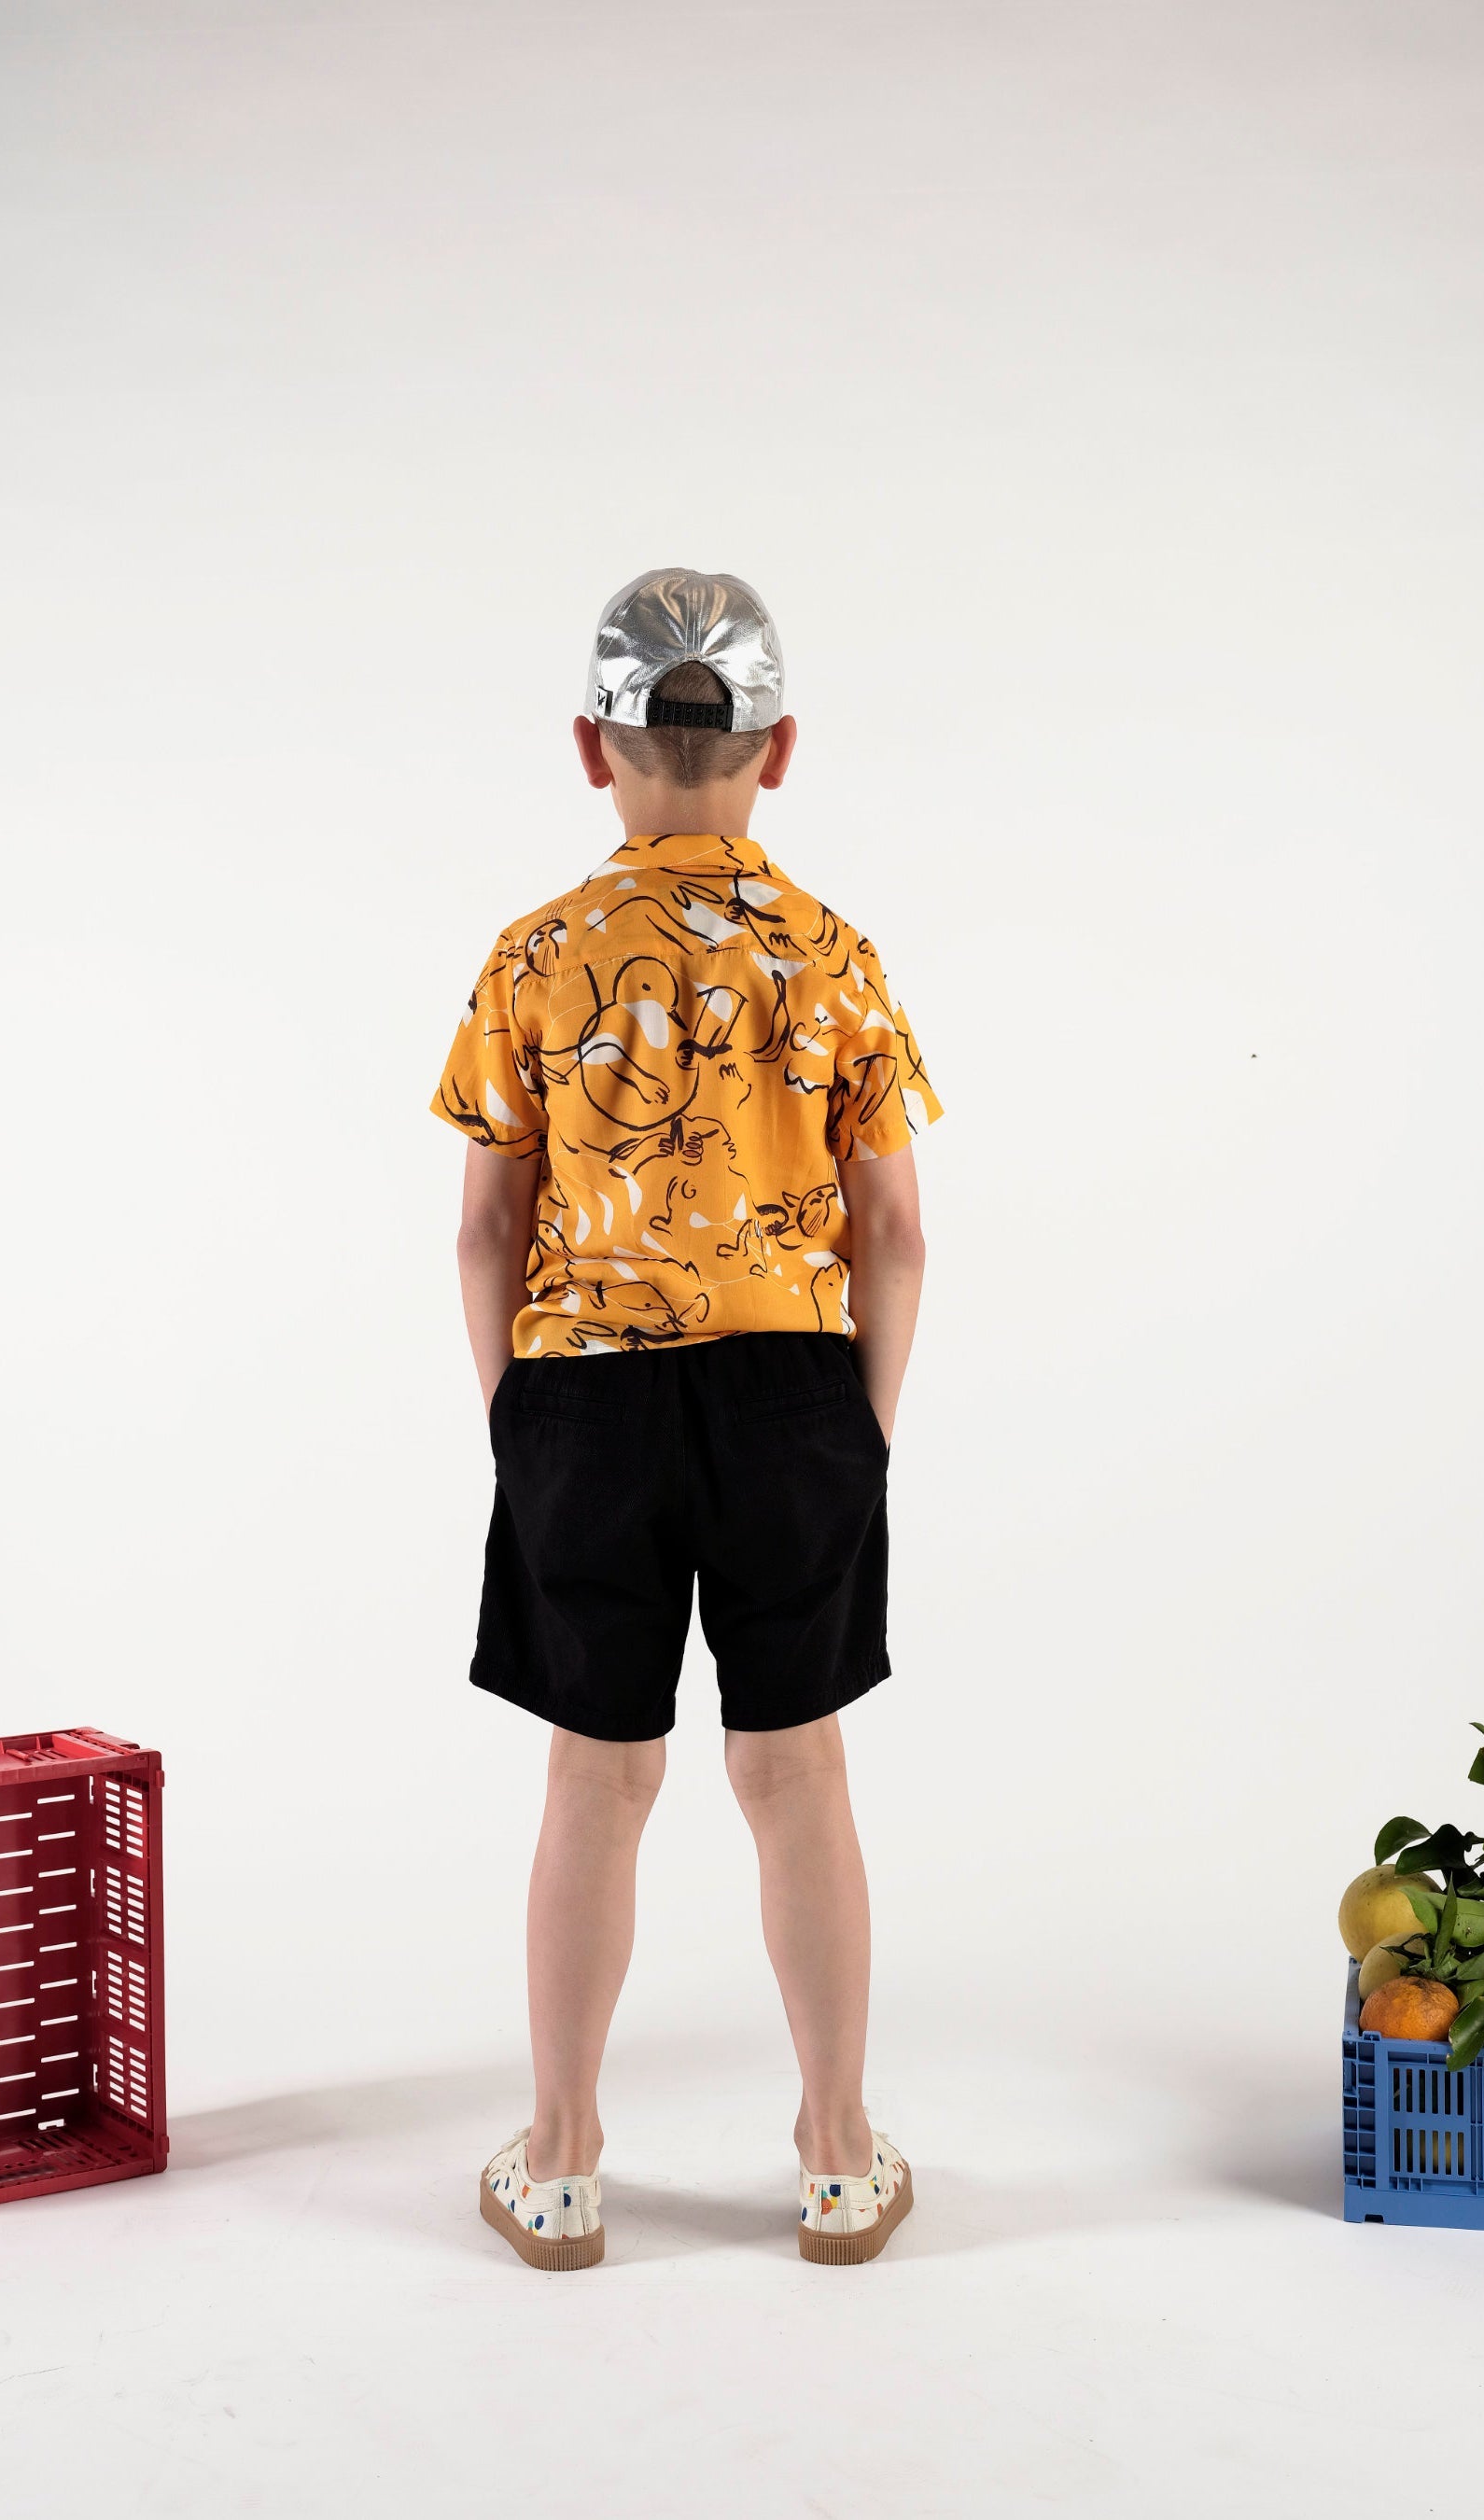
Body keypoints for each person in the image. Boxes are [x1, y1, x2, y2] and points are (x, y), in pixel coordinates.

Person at [432, 567, 941, 2270]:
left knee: (598, 1776)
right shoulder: (835, 957)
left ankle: (563, 2161)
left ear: (594, 747)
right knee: (796, 1770)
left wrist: (522, 1421)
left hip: (584, 1399)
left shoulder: (536, 956)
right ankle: (839, 2156)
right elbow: (895, 1229)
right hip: (794, 1395)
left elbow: (487, 1228)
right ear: (778, 749)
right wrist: (862, 1428)